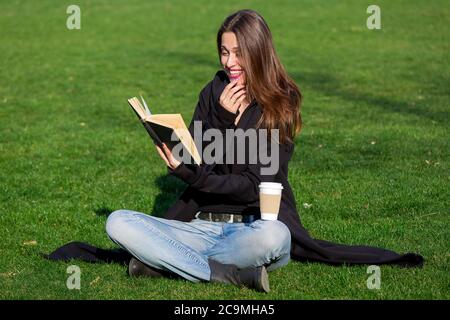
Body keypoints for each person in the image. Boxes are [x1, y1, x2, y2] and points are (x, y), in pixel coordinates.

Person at [46, 9, 424, 293]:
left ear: (258, 52)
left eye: (238, 53)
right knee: (118, 222)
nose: (229, 63)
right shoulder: (212, 92)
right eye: (223, 52)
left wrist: (222, 132)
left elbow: (252, 187)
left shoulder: (282, 103)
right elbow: (197, 158)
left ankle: (166, 265)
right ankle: (221, 273)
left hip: (251, 229)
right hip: (198, 227)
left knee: (275, 239)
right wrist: (191, 141)